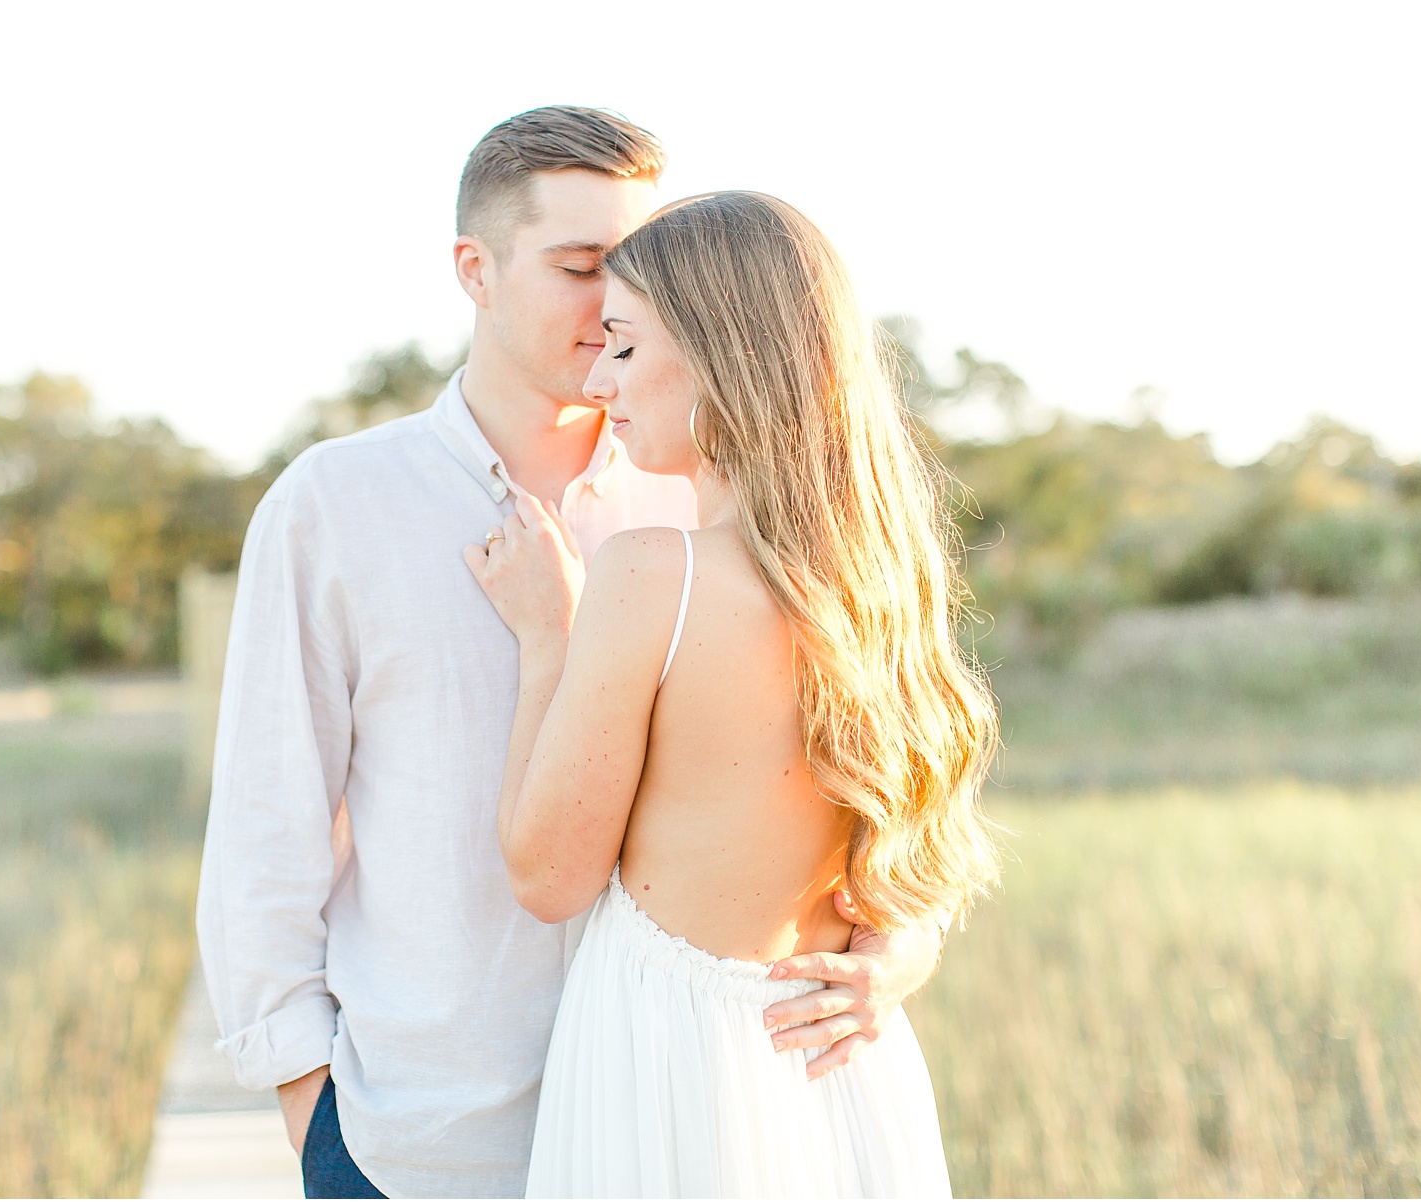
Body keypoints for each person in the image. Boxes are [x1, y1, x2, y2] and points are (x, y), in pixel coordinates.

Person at [196, 109, 949, 1200]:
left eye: (639, 269)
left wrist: (897, 948)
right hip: (422, 1138)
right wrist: (307, 1096)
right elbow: (269, 821)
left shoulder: (705, 491)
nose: (612, 307)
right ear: (477, 269)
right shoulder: (334, 504)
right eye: (581, 265)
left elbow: (875, 778)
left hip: (692, 1121)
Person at [467, 192, 1001, 1198]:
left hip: (677, 1062)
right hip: (842, 1064)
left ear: (718, 356)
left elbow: (547, 875)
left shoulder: (647, 575)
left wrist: (548, 638)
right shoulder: (881, 583)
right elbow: (914, 870)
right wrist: (906, 953)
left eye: (623, 346)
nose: (597, 378)